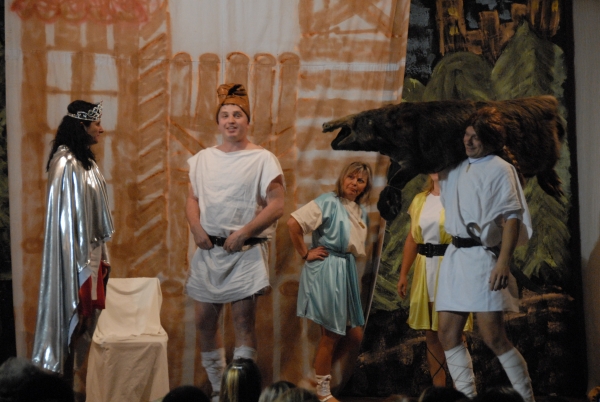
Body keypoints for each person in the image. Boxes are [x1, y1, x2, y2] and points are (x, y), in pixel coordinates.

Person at [186, 84, 285, 401]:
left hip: (245, 252)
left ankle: (239, 393)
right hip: (208, 252)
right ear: (218, 122)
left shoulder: (263, 158)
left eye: (238, 115)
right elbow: (192, 198)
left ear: (247, 121)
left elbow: (277, 205)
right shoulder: (202, 159)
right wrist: (196, 228)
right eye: (225, 115)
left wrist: (243, 232)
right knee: (204, 321)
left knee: (243, 322)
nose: (231, 120)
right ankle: (219, 389)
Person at [436, 107, 534, 401]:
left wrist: (503, 262)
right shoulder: (454, 166)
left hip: (482, 258)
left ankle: (526, 398)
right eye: (467, 134)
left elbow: (512, 218)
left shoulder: (500, 168)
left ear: (490, 141)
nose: (468, 141)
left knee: (493, 337)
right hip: (455, 257)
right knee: (447, 334)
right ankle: (465, 397)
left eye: (476, 137)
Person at [31, 100, 114, 382]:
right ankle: (60, 387)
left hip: (89, 253)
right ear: (82, 125)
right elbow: (64, 220)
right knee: (73, 319)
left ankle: (66, 385)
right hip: (74, 258)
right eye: (97, 124)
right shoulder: (65, 162)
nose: (101, 129)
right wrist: (75, 260)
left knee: (83, 323)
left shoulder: (84, 161)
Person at [287, 161, 372, 402]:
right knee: (331, 334)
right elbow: (293, 224)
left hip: (345, 270)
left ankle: (315, 379)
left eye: (360, 180)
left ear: (365, 186)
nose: (354, 183)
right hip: (328, 268)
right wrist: (305, 253)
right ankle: (323, 392)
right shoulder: (328, 201)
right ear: (342, 178)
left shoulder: (359, 211)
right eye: (351, 177)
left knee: (354, 335)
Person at [397, 174, 472, 386]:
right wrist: (403, 274)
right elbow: (412, 239)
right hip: (425, 269)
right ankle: (439, 391)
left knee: (453, 333)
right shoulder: (420, 199)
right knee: (431, 334)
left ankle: (464, 389)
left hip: (451, 266)